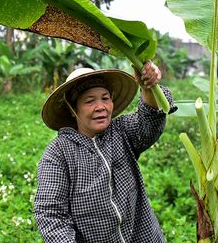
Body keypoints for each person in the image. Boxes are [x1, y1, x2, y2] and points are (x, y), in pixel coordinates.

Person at [33, 60, 176, 243]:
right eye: (89, 101)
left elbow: (149, 121)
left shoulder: (121, 131)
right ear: (72, 109)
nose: (100, 106)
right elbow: (51, 214)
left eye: (105, 98)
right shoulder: (59, 154)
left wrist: (148, 87)